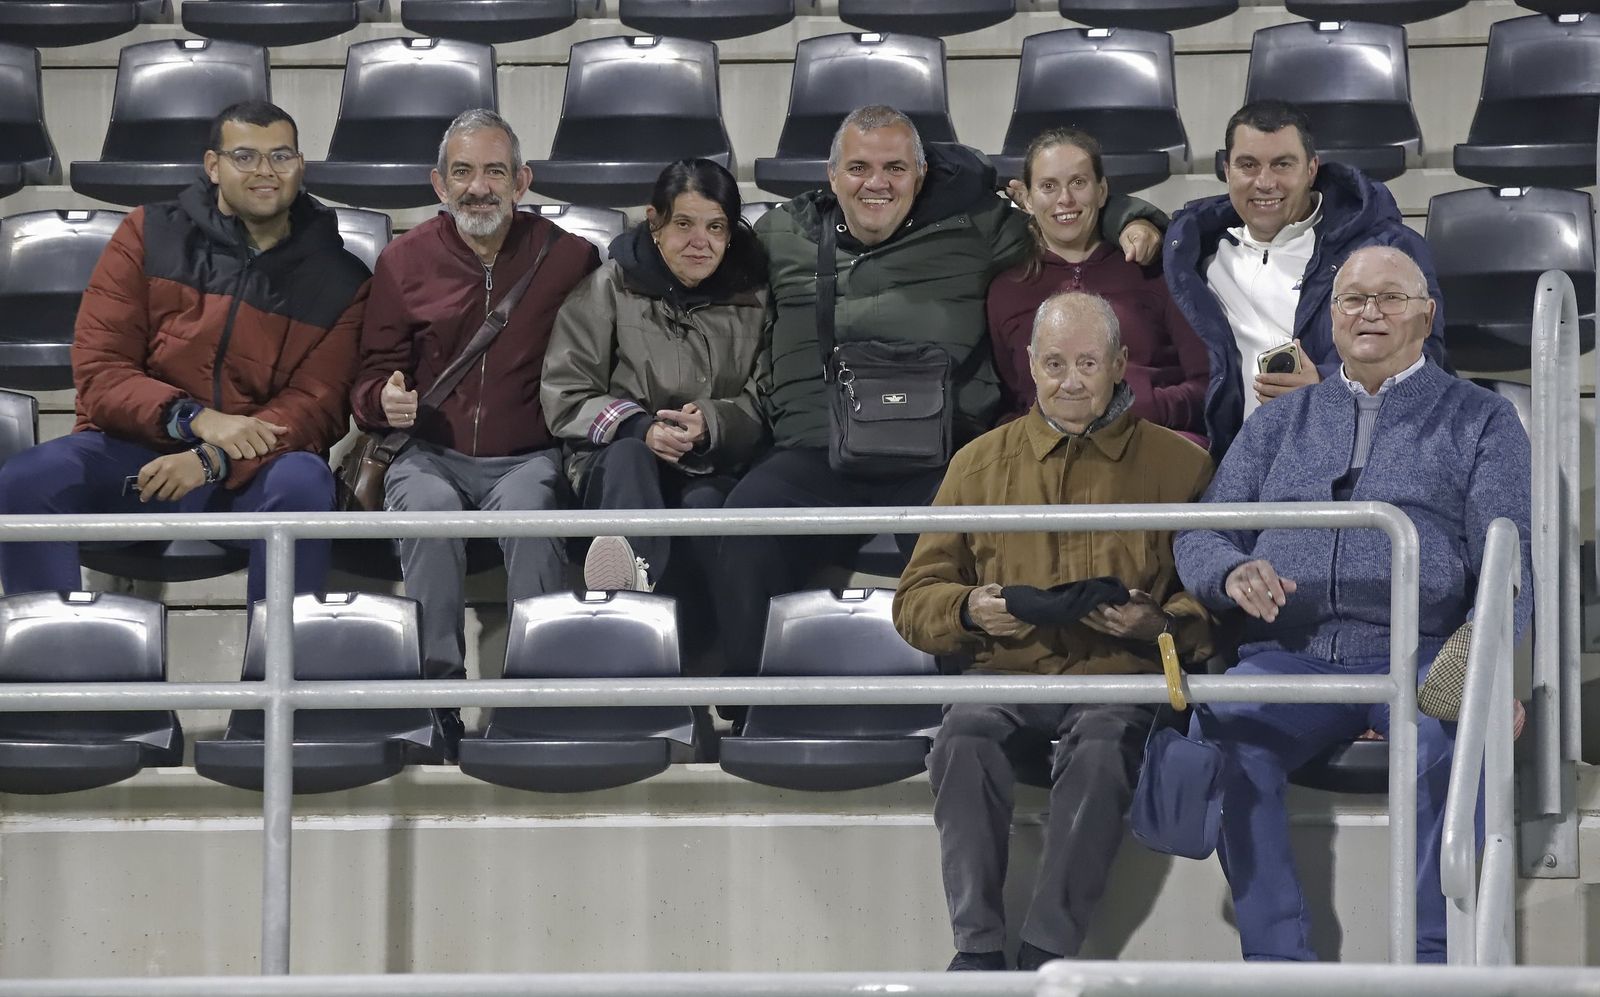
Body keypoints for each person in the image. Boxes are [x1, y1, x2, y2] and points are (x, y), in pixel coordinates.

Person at [713, 104, 1168, 686]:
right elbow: (697, 249)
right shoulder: (783, 232)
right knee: (739, 529)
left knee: (966, 548)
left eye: (895, 168)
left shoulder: (975, 227)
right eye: (858, 167)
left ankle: (969, 704)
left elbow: (1064, 214)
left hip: (937, 453)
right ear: (830, 176)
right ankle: (749, 709)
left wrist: (1136, 216)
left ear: (921, 174)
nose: (876, 183)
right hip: (812, 449)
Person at [1172, 246, 1532, 963]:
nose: (1370, 311)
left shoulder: (1481, 419)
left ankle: (1437, 962)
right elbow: (1202, 528)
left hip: (1423, 654)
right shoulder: (1279, 421)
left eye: (1391, 298)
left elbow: (1510, 554)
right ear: (1330, 318)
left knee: (1450, 745)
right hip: (1291, 656)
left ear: (1427, 314)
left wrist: (1492, 665)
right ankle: (1277, 965)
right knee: (1223, 731)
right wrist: (1232, 572)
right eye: (1353, 299)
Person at [894, 290, 1213, 971]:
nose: (1070, 381)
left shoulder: (1181, 466)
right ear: (1030, 365)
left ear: (1122, 364)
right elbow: (913, 600)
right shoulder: (976, 465)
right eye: (1055, 364)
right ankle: (977, 952)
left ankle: (1046, 953)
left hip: (1119, 676)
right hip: (1004, 672)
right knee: (962, 736)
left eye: (1089, 364)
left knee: (1103, 745)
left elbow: (1211, 602)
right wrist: (969, 608)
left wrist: (1157, 624)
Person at [0, 100, 369, 605]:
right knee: (26, 481)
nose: (265, 171)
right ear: (213, 166)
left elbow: (315, 408)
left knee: (306, 482)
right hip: (132, 456)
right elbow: (101, 372)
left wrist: (212, 457)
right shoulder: (148, 233)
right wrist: (191, 419)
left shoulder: (343, 280)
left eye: (281, 156)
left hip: (247, 471)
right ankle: (50, 668)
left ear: (300, 166)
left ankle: (274, 678)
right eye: (245, 156)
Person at [349, 108, 600, 681]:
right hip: (428, 454)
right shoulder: (403, 260)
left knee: (532, 516)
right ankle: (434, 698)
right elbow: (369, 377)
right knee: (428, 515)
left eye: (494, 172)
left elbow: (595, 365)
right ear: (440, 184)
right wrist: (381, 400)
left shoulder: (569, 258)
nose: (479, 189)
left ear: (522, 181)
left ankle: (535, 694)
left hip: (529, 456)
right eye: (462, 173)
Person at [1164, 100, 1449, 458]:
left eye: (1282, 164)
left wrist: (1328, 386)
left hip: (1354, 451)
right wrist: (1130, 219)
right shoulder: (1192, 249)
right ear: (1226, 170)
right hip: (1238, 459)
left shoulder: (1386, 249)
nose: (1265, 182)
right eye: (1248, 165)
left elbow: (1424, 355)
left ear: (1312, 169)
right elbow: (1082, 207)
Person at [543, 158, 768, 597]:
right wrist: (639, 427)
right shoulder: (608, 287)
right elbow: (565, 392)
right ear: (655, 223)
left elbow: (765, 396)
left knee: (705, 506)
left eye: (716, 228)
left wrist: (711, 425)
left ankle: (688, 642)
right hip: (613, 464)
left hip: (712, 464)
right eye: (684, 224)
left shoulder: (755, 299)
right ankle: (629, 594)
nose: (700, 242)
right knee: (631, 458)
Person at [987, 127, 1208, 443]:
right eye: (1048, 186)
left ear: (1102, 191)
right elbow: (1009, 403)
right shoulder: (1006, 290)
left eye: (1078, 183)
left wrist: (1137, 409)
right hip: (1050, 456)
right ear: (1028, 199)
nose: (1065, 199)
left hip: (1151, 441)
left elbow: (1205, 386)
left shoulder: (1157, 270)